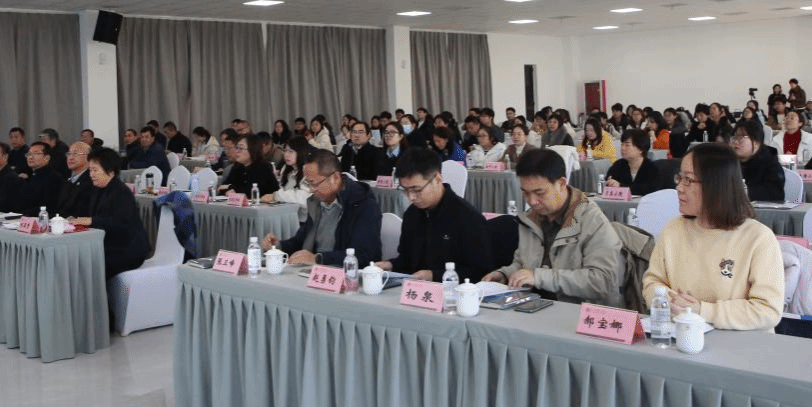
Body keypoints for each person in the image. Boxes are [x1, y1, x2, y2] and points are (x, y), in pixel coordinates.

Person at [643, 143, 785, 330]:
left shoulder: (758, 238)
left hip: (742, 343)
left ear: (716, 185)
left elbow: (768, 310)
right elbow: (652, 281)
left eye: (688, 180)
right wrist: (671, 303)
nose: (679, 187)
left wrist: (702, 310)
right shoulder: (674, 229)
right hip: (682, 335)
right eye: (680, 178)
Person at [481, 148, 623, 306]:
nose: (532, 201)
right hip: (535, 307)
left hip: (577, 311)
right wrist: (504, 274)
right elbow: (523, 264)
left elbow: (602, 281)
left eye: (539, 193)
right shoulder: (531, 219)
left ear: (561, 183)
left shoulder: (592, 220)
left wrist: (539, 277)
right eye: (526, 193)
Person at [376, 147, 490, 282]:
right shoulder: (412, 214)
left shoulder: (467, 217)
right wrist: (391, 265)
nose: (411, 197)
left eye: (416, 190)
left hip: (451, 292)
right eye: (405, 190)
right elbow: (407, 260)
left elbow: (481, 272)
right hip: (415, 289)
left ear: (437, 179)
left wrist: (435, 276)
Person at [260, 149, 381, 267]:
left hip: (343, 273)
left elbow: (364, 255)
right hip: (314, 270)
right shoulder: (317, 202)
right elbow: (300, 241)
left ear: (335, 178)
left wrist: (318, 258)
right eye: (308, 184)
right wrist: (277, 246)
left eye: (314, 184)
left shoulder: (363, 205)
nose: (311, 190)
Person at [67, 148, 150, 280]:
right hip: (108, 245)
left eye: (95, 170)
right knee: (76, 258)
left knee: (87, 263)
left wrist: (90, 221)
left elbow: (120, 224)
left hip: (127, 249)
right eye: (90, 170)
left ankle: (97, 293)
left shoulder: (121, 192)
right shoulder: (97, 189)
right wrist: (77, 219)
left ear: (110, 171)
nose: (91, 174)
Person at [729, 120, 785, 202]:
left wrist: (743, 193)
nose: (736, 141)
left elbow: (775, 195)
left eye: (741, 137)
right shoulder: (728, 163)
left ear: (756, 143)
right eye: (734, 137)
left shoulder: (771, 165)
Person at [604, 129, 664, 196]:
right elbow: (608, 183)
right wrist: (610, 183)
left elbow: (649, 189)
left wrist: (621, 187)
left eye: (627, 145)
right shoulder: (618, 165)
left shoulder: (652, 168)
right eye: (622, 144)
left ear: (641, 148)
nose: (622, 148)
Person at [218, 132, 278, 198]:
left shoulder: (264, 167)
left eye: (240, 148)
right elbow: (221, 188)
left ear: (252, 150)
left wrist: (231, 187)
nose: (237, 151)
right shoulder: (237, 166)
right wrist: (231, 189)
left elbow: (252, 191)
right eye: (237, 148)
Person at [17, 142, 63, 216]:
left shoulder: (54, 178)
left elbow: (48, 207)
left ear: (47, 158)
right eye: (29, 154)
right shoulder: (32, 175)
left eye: (36, 153)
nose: (30, 157)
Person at [271, 136, 314, 209]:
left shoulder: (309, 170)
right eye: (285, 151)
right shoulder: (286, 168)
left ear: (301, 152)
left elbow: (305, 197)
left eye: (291, 151)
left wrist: (276, 196)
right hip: (287, 210)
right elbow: (282, 189)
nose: (286, 155)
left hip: (304, 213)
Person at [54, 141, 94, 218]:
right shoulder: (66, 179)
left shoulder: (92, 180)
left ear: (88, 157)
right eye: (69, 154)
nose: (70, 158)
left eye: (75, 154)